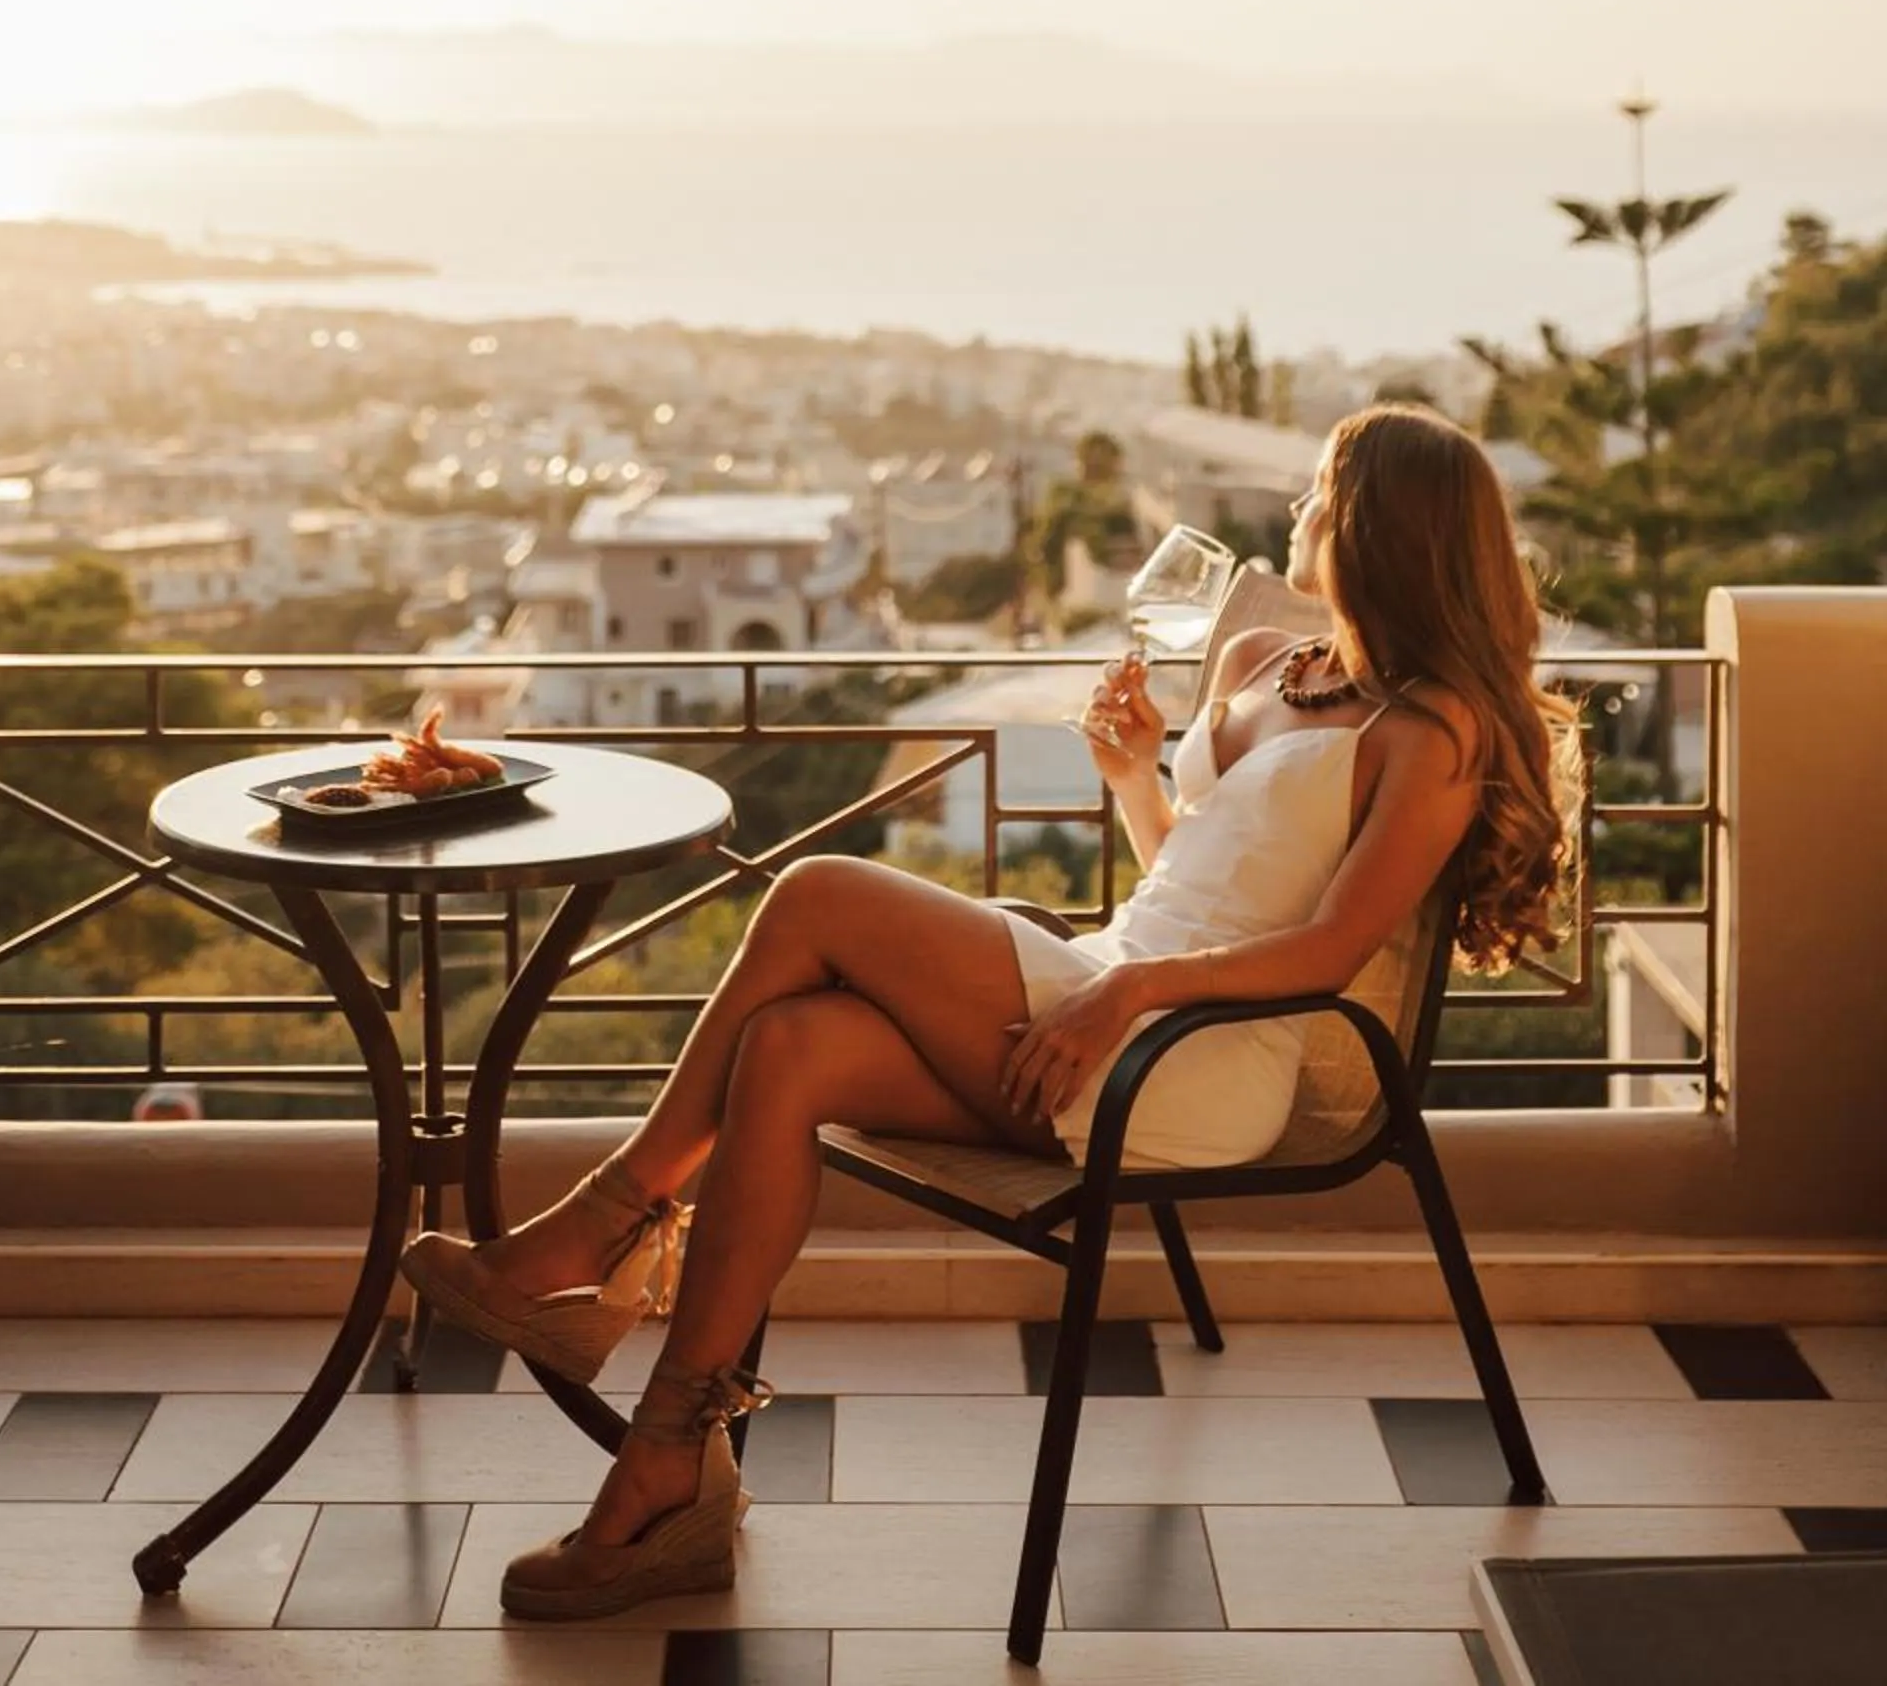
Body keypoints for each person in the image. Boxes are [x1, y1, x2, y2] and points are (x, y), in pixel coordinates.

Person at [401, 401, 1578, 1622]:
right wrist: (1131, 777)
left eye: (1319, 494)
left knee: (815, 893)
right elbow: (1199, 876)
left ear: (1376, 530)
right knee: (787, 1046)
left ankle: (594, 1235)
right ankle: (667, 1470)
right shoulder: (1261, 664)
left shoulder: (1431, 732)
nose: (1296, 510)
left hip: (1191, 1063)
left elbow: (1325, 950)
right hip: (1113, 989)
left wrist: (1130, 989)